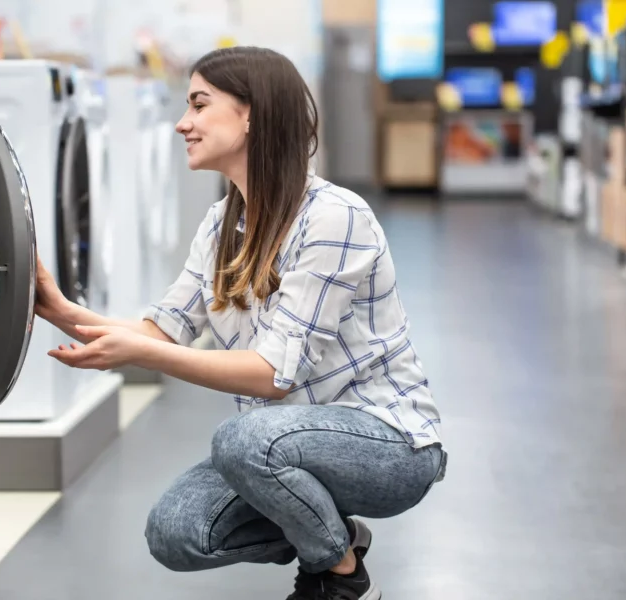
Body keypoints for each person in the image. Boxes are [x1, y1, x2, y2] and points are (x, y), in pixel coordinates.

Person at [34, 46, 446, 600]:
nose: (183, 123)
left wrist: (141, 356)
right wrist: (61, 310)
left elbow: (271, 376)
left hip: (389, 445)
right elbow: (162, 329)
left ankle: (341, 578)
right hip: (284, 444)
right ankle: (336, 536)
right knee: (176, 531)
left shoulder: (334, 216)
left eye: (200, 105)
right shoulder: (220, 224)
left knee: (243, 439)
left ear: (251, 113)